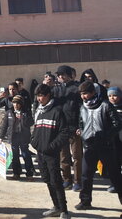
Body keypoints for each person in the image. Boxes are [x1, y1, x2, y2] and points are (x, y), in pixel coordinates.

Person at [75, 81, 122, 210]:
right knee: (86, 175)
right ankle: (85, 201)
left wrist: (105, 136)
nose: (83, 97)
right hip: (89, 146)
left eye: (85, 94)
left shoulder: (105, 105)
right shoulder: (83, 107)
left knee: (115, 176)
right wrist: (82, 133)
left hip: (105, 147)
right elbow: (81, 123)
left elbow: (117, 124)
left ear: (93, 93)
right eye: (81, 94)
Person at [31, 83, 70, 219]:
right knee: (47, 180)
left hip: (51, 154)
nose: (38, 99)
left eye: (41, 96)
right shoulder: (39, 111)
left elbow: (64, 133)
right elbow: (36, 130)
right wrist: (34, 142)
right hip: (40, 153)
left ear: (48, 95)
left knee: (56, 181)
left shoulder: (57, 111)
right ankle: (56, 207)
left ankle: (64, 210)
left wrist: (52, 147)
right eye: (37, 96)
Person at [54, 65, 83, 191]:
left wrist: (81, 126)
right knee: (63, 157)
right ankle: (66, 180)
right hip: (61, 129)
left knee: (77, 156)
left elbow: (83, 110)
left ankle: (78, 181)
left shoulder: (77, 89)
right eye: (59, 75)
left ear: (69, 75)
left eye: (63, 74)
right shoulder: (56, 90)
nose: (61, 77)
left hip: (75, 128)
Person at [0, 95, 34, 180]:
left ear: (21, 104)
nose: (16, 105)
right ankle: (16, 173)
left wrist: (23, 118)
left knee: (26, 155)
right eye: (14, 103)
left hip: (23, 137)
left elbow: (31, 123)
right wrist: (1, 137)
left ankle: (29, 174)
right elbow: (4, 125)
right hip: (13, 136)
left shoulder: (26, 112)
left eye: (18, 103)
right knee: (15, 156)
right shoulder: (9, 112)